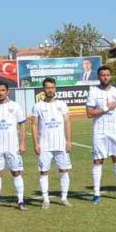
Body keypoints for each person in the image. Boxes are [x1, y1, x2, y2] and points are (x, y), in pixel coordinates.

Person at [87, 65, 116, 203]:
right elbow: (89, 113)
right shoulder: (93, 92)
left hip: (114, 131)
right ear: (99, 77)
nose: (105, 77)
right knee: (98, 160)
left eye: (107, 75)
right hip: (99, 131)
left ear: (111, 76)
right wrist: (106, 108)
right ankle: (96, 194)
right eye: (102, 75)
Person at [0, 82, 28, 211]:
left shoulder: (15, 106)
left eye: (3, 90)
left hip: (12, 146)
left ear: (7, 91)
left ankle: (20, 201)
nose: (0, 92)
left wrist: (23, 142)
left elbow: (22, 124)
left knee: (16, 172)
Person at [30, 77, 72, 207]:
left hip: (60, 144)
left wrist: (69, 140)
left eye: (52, 87)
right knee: (43, 172)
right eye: (47, 88)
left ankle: (64, 198)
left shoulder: (62, 105)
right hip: (45, 145)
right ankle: (46, 200)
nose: (50, 90)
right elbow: (34, 125)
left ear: (55, 88)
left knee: (64, 170)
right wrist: (36, 143)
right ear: (43, 89)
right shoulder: (38, 106)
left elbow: (67, 122)